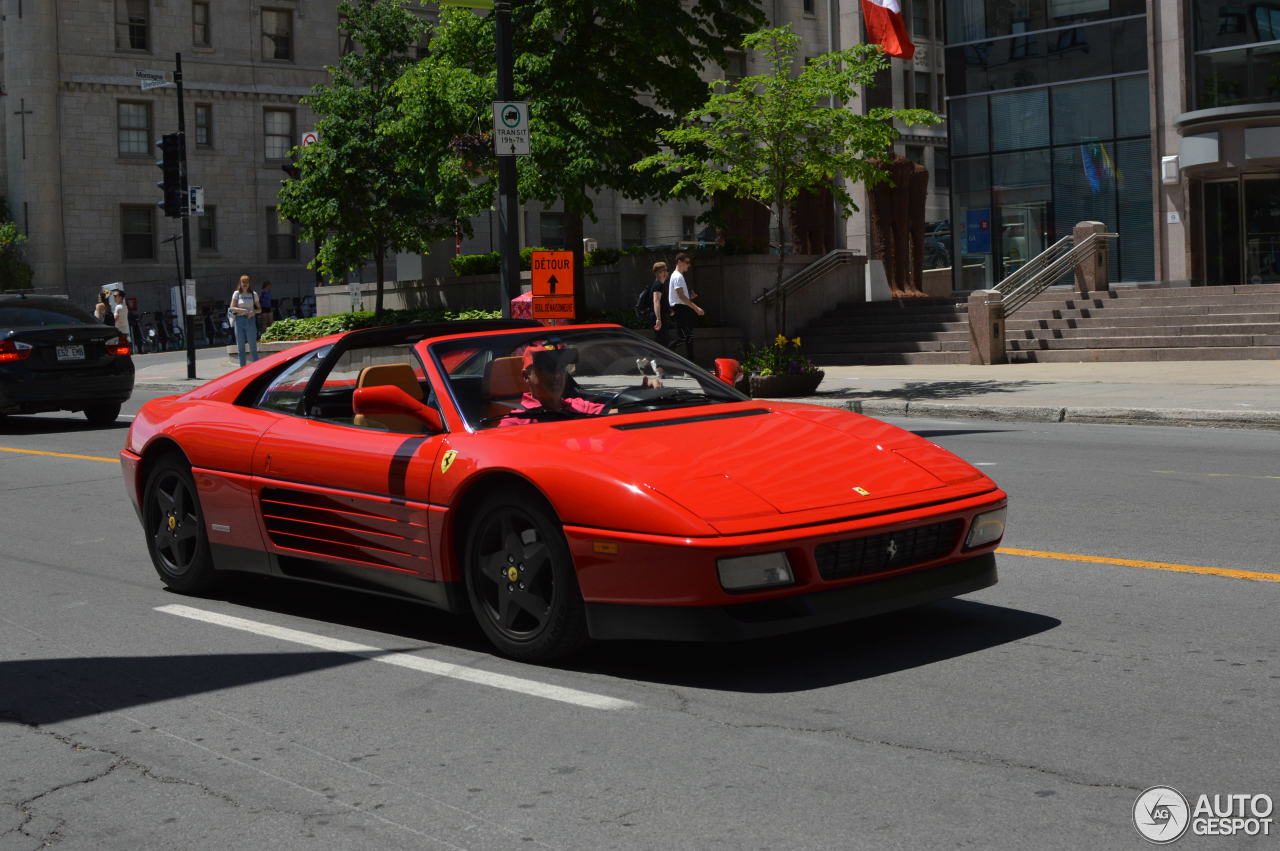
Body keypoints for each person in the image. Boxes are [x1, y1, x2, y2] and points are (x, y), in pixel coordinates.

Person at [500, 343, 604, 426]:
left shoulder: (579, 406)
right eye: (547, 369)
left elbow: (616, 414)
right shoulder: (515, 422)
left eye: (561, 368)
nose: (557, 375)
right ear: (526, 376)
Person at [667, 252, 704, 362]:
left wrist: (690, 297)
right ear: (679, 262)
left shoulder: (677, 276)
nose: (689, 265)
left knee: (687, 337)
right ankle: (660, 358)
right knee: (684, 337)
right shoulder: (678, 276)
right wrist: (696, 308)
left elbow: (681, 296)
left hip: (681, 309)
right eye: (687, 262)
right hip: (680, 309)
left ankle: (690, 364)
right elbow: (681, 296)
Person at [228, 274, 261, 366]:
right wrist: (243, 310)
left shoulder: (253, 294)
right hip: (239, 320)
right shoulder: (237, 293)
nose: (245, 284)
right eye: (243, 282)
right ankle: (242, 369)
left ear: (249, 283)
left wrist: (254, 312)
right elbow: (232, 308)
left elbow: (259, 309)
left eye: (247, 282)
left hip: (250, 320)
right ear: (240, 283)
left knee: (253, 346)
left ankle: (257, 368)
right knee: (241, 347)